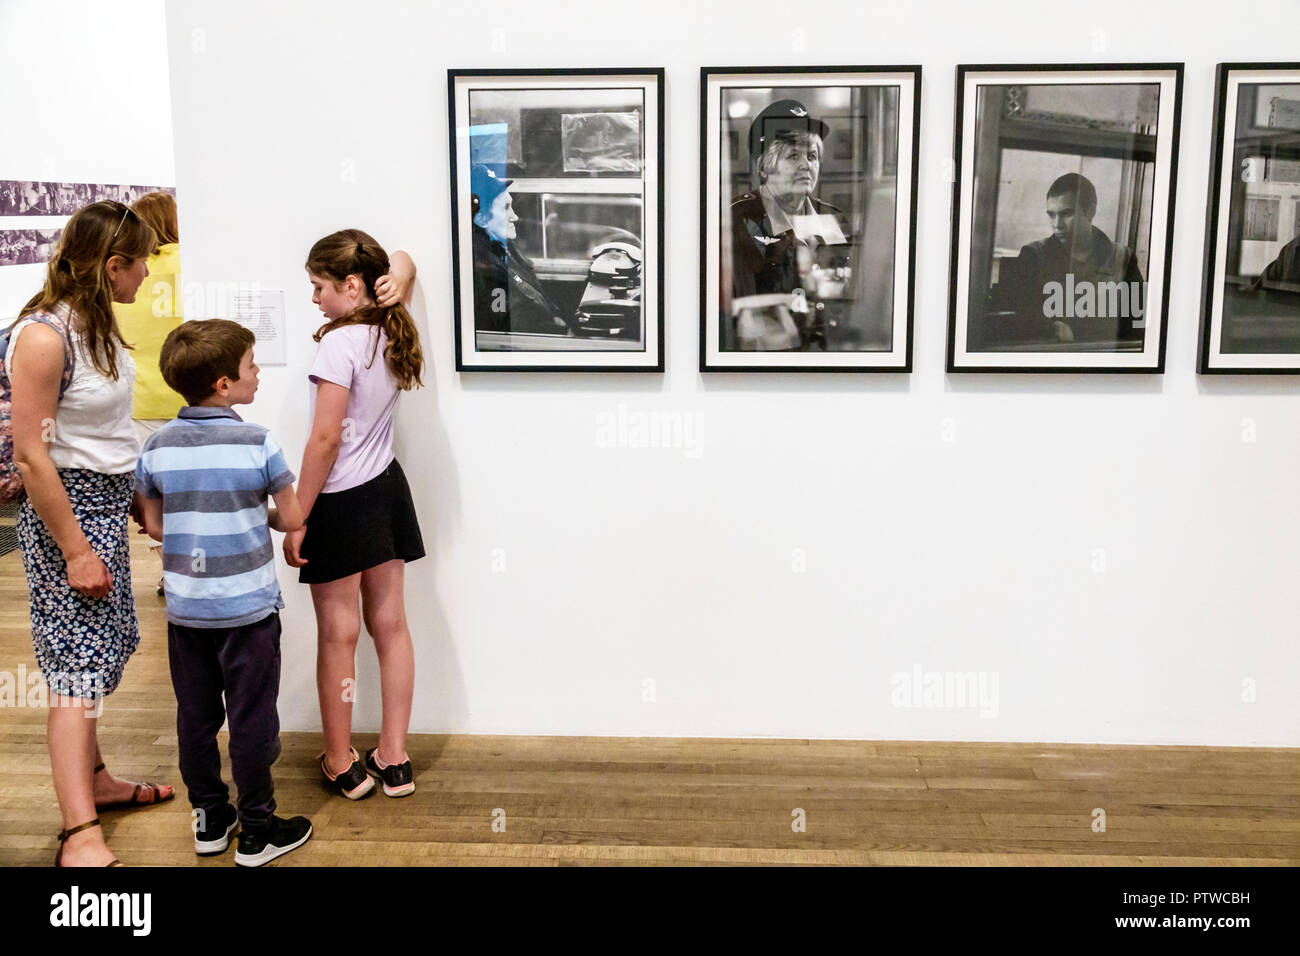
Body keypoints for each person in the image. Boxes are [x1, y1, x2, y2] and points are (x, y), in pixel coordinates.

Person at [5, 200, 174, 867]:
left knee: (101, 654)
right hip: (65, 515)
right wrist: (75, 548)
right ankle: (78, 834)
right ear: (112, 267)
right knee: (76, 671)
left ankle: (96, 782)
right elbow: (32, 454)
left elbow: (99, 432)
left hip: (101, 504)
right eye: (142, 266)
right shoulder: (44, 337)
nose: (146, 279)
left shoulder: (96, 329)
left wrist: (132, 498)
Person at [134, 319, 312, 866]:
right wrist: (258, 513)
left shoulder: (157, 446)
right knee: (252, 716)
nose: (257, 374)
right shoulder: (257, 441)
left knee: (195, 715)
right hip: (249, 612)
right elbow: (296, 514)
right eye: (251, 367)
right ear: (223, 384)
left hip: (188, 612)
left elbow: (157, 525)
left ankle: (210, 819)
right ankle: (258, 829)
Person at [283, 229, 424, 800]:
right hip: (386, 491)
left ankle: (342, 763)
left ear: (351, 284)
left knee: (338, 636)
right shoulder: (392, 324)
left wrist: (296, 515)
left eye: (319, 286)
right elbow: (405, 258)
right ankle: (394, 758)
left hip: (341, 500)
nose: (314, 298)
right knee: (390, 628)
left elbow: (324, 441)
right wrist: (402, 278)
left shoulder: (338, 346)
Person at [726, 99, 849, 350]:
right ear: (765, 166)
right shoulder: (736, 220)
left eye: (812, 156)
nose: (806, 165)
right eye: (793, 155)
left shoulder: (834, 218)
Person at [114, 190, 186, 595]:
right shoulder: (193, 263)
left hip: (140, 403)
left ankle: (170, 571)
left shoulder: (129, 271)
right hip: (189, 399)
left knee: (153, 498)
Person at [993, 172, 1146, 344]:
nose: (1057, 224)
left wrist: (1076, 331)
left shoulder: (1123, 258)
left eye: (1066, 214)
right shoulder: (1033, 255)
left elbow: (1139, 326)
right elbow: (1016, 320)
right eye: (1051, 215)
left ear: (1090, 212)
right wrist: (1049, 327)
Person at [469, 163, 575, 336]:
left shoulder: (505, 248)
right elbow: (517, 326)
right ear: (481, 219)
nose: (515, 216)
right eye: (505, 208)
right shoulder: (484, 268)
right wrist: (565, 333)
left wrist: (559, 317)